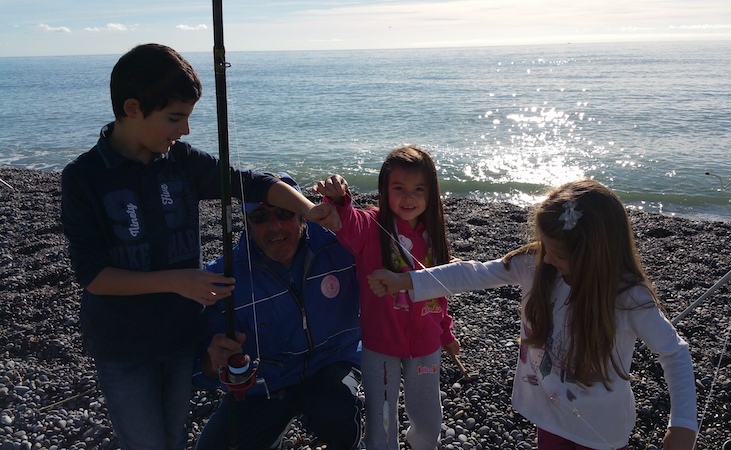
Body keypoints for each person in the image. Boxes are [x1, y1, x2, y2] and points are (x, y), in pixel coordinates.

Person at [60, 43, 340, 450]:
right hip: (122, 344)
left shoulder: (182, 162)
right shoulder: (83, 177)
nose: (186, 130)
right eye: (175, 118)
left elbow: (253, 183)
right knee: (145, 442)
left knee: (174, 436)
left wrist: (308, 209)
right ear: (133, 108)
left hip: (179, 335)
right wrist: (179, 281)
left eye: (189, 117)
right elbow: (93, 276)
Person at [368, 179, 698, 450]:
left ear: (594, 255)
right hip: (549, 417)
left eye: (558, 254)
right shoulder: (536, 265)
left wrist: (683, 423)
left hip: (604, 430)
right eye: (545, 247)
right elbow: (473, 273)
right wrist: (407, 281)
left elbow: (674, 352)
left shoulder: (627, 296)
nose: (547, 259)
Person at [193, 173, 363, 450]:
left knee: (334, 410)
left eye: (285, 213)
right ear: (246, 223)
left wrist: (343, 202)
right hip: (266, 384)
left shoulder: (342, 244)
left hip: (333, 363)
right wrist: (212, 363)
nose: (275, 226)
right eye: (260, 217)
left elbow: (393, 237)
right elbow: (196, 369)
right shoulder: (221, 278)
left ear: (303, 216)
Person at [313, 145, 460, 450]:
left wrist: (445, 332)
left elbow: (438, 292)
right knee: (382, 419)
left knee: (429, 420)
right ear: (384, 189)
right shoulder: (371, 225)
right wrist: (338, 200)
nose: (409, 197)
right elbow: (347, 223)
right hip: (379, 347)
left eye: (419, 189)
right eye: (399, 188)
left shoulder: (433, 234)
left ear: (432, 192)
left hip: (426, 346)